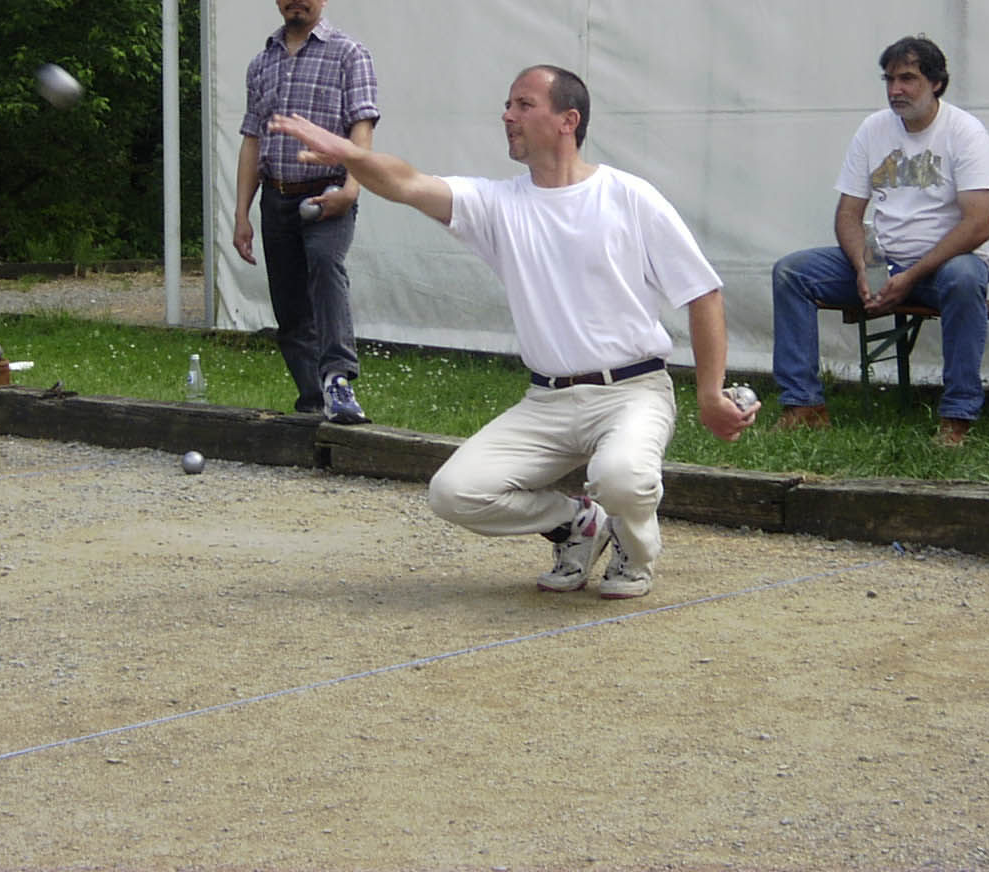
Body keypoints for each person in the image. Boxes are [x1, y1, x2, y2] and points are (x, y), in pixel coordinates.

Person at [269, 64, 758, 600]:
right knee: (454, 493)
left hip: (633, 392)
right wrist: (350, 154)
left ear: (568, 120)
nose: (507, 115)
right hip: (546, 401)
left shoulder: (629, 196)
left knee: (621, 477)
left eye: (524, 105)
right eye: (508, 105)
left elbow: (702, 293)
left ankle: (634, 552)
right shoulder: (497, 204)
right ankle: (578, 524)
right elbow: (407, 183)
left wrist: (710, 394)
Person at [771, 35, 989, 447]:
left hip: (944, 267)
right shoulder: (873, 129)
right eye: (889, 80)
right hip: (884, 261)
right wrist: (866, 268)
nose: (896, 90)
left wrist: (910, 276)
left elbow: (979, 225)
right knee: (792, 273)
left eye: (908, 79)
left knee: (966, 279)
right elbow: (848, 215)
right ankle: (804, 405)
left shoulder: (965, 132)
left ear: (937, 83)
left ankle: (957, 417)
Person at [233, 0, 380, 423]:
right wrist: (241, 214)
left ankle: (338, 379)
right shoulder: (261, 63)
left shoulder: (349, 54)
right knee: (289, 303)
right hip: (276, 196)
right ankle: (312, 400)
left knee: (325, 267)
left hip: (328, 192)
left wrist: (353, 187)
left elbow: (361, 127)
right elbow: (252, 140)